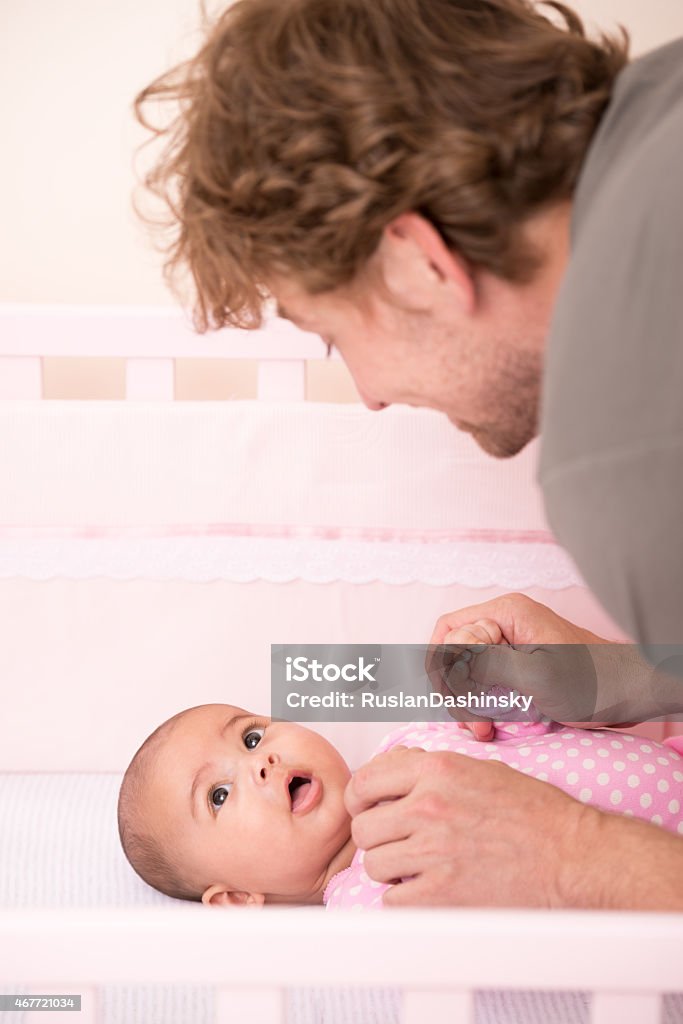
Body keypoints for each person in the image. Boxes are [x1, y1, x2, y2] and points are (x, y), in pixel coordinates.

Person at [133, 0, 683, 907]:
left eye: (331, 333)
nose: (371, 393)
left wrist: (571, 854)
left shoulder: (624, 452)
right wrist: (625, 678)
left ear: (413, 262)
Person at [117, 695, 683, 908]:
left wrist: (506, 680)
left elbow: (533, 724)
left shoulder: (412, 740)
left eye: (251, 736)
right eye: (219, 795)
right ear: (238, 897)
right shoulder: (370, 907)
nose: (259, 762)